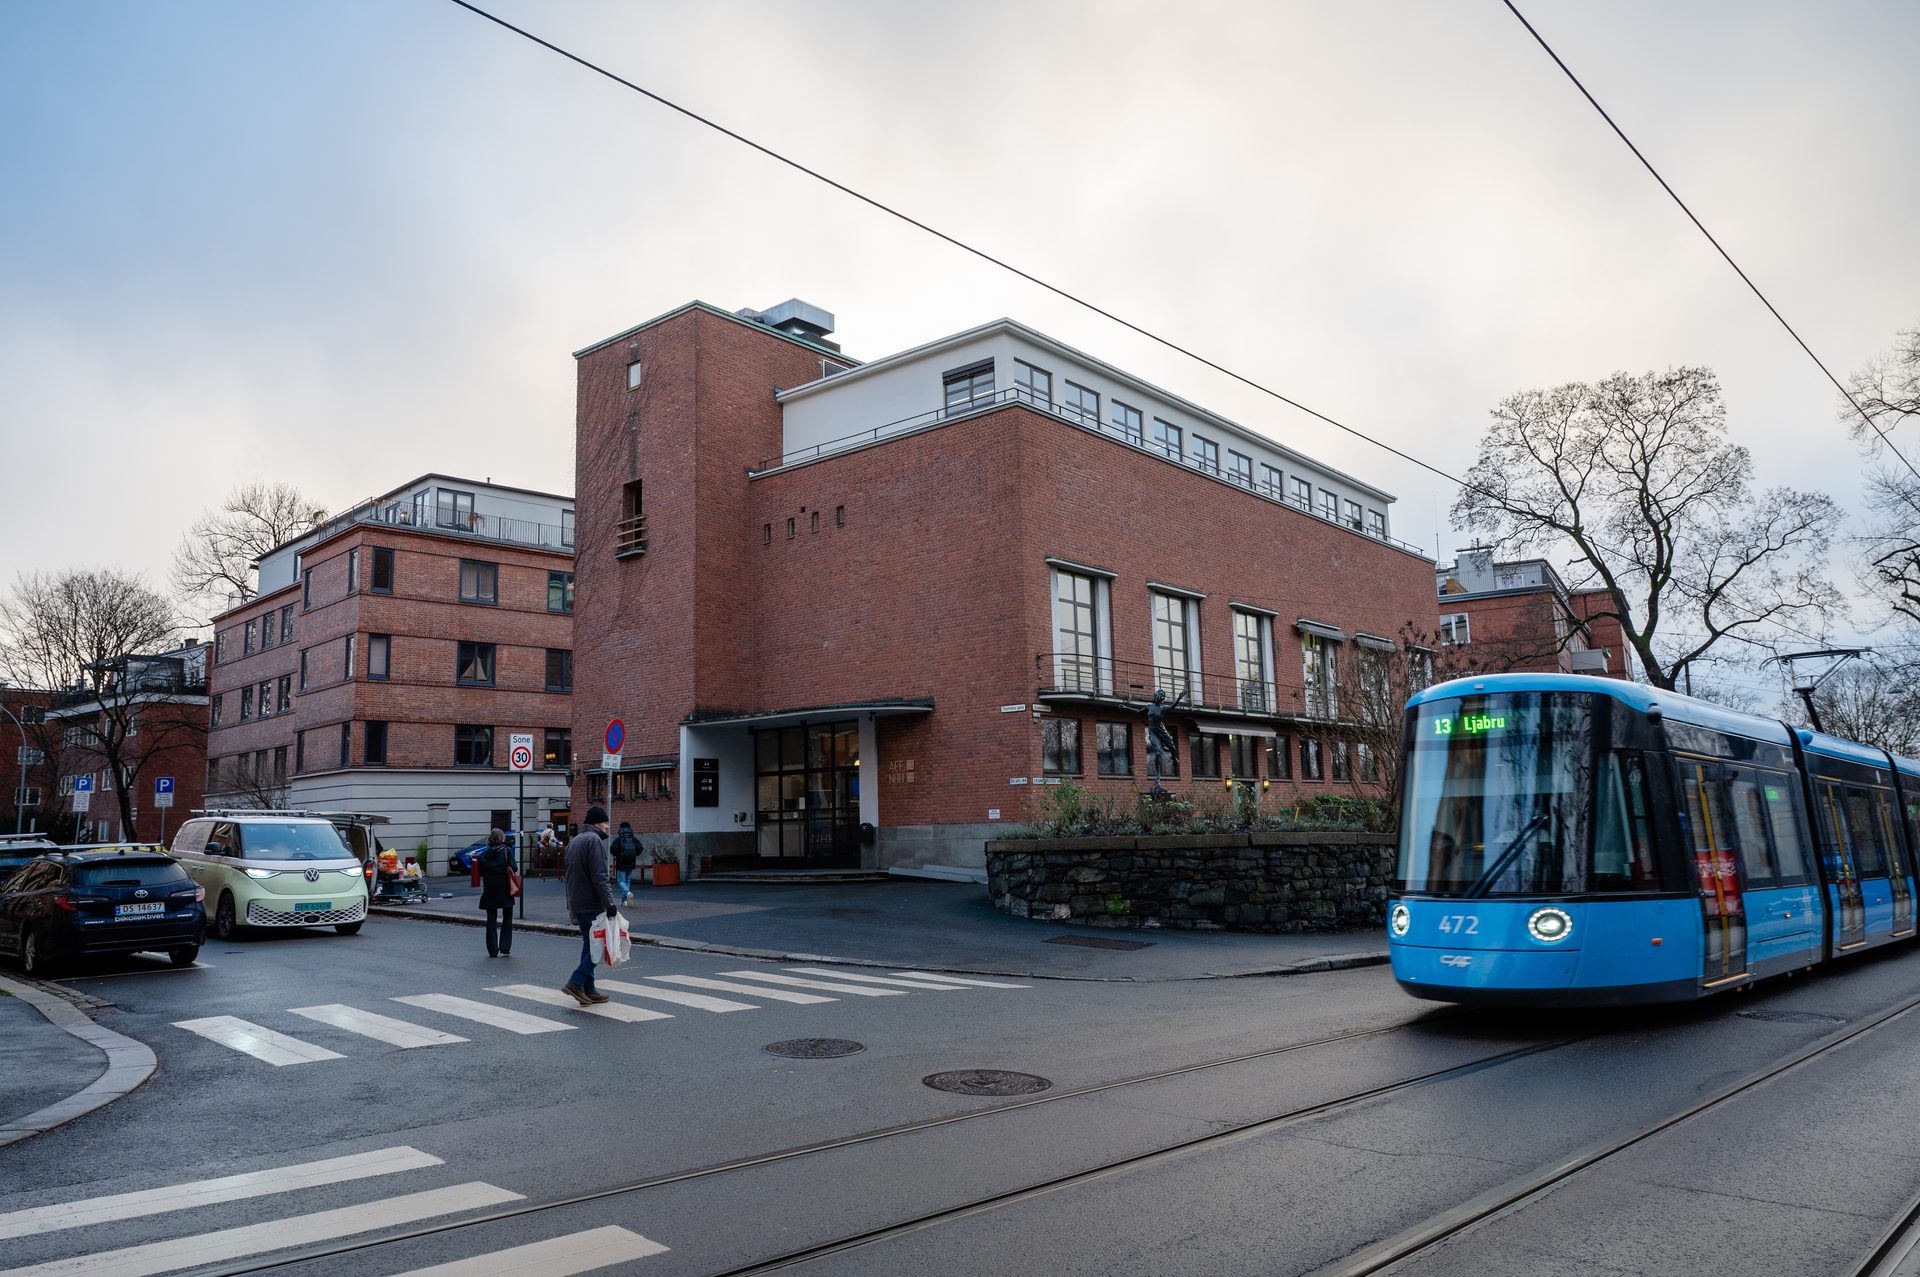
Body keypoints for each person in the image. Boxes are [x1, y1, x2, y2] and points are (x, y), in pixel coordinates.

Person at [561, 806, 615, 1006]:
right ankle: (576, 982)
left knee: (589, 943)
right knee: (599, 946)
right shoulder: (593, 841)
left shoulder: (575, 841)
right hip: (591, 902)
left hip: (578, 901)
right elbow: (600, 876)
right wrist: (609, 902)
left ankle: (589, 988)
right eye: (605, 822)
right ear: (597, 823)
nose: (608, 826)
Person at [477, 828, 517, 958]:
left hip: (490, 889)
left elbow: (480, 872)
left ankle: (492, 949)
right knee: (507, 916)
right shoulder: (507, 851)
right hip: (505, 888)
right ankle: (505, 946)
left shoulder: (484, 854)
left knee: (491, 919)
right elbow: (514, 868)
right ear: (502, 838)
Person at [609, 821, 641, 905]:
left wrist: (618, 854)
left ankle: (627, 893)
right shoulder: (634, 839)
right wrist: (633, 854)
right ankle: (625, 900)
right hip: (631, 862)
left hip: (621, 862)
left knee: (620, 881)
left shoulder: (619, 839)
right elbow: (640, 848)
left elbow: (612, 849)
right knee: (627, 880)